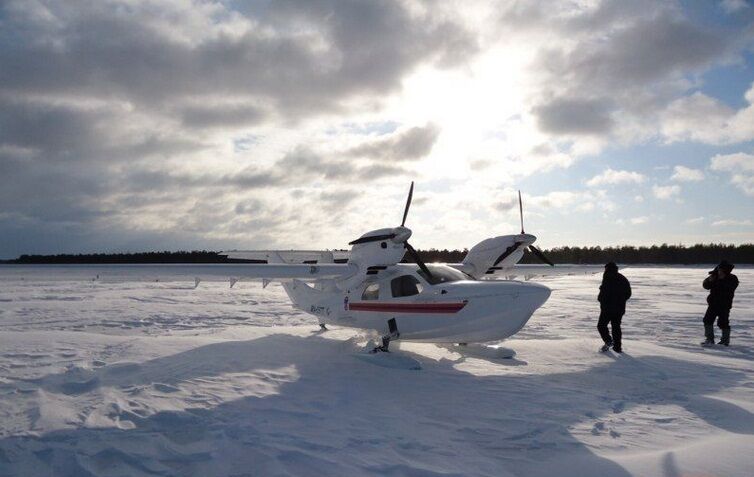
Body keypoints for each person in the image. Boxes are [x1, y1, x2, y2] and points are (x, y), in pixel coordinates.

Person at [701, 260, 739, 347]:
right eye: (719, 270)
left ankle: (725, 341)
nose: (720, 272)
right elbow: (705, 285)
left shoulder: (732, 278)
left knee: (723, 323)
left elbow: (730, 287)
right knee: (707, 320)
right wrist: (710, 280)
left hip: (725, 305)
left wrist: (721, 280)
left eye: (721, 270)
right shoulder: (715, 276)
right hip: (713, 304)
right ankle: (709, 339)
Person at [597, 262, 632, 353]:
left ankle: (608, 341)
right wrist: (621, 300)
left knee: (601, 326)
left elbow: (604, 293)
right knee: (616, 327)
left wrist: (601, 299)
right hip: (619, 308)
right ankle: (617, 347)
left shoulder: (607, 277)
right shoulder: (622, 278)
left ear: (607, 268)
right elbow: (628, 293)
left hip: (607, 309)